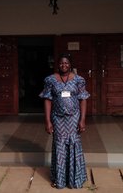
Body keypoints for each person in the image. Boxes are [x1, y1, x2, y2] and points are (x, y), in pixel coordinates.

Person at [39, 53, 90, 189]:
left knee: (74, 145)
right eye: (61, 63)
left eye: (66, 63)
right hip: (58, 118)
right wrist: (48, 121)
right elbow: (47, 100)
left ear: (70, 64)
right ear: (58, 64)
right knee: (60, 147)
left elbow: (83, 99)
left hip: (74, 118)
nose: (64, 65)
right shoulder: (50, 80)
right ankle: (60, 180)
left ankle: (75, 179)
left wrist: (82, 119)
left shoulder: (79, 80)